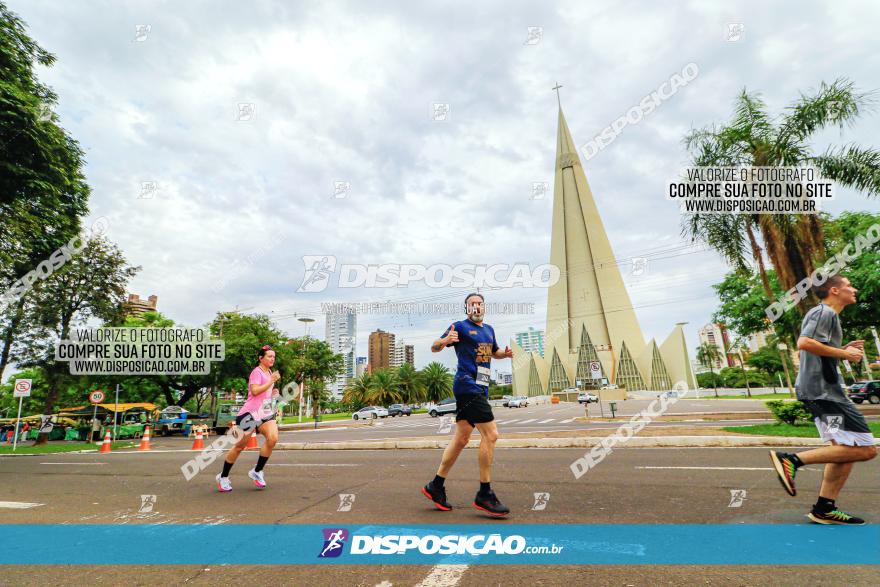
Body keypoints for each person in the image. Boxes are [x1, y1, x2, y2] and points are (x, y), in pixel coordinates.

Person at [769, 274, 878, 524]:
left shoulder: (829, 317)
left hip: (824, 392)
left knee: (844, 449)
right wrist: (843, 352)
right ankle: (791, 460)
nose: (855, 288)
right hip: (824, 395)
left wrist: (841, 350)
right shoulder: (824, 312)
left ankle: (824, 508)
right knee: (866, 449)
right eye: (849, 285)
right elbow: (804, 343)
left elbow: (818, 349)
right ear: (834, 290)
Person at [421, 293, 514, 517]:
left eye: (480, 303)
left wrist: (505, 354)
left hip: (481, 386)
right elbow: (434, 346)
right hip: (467, 385)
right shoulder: (459, 327)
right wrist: (444, 341)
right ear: (466, 308)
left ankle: (436, 486)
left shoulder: (489, 330)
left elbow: (494, 353)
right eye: (472, 303)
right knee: (491, 435)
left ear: (484, 307)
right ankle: (485, 493)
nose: (477, 306)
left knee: (461, 438)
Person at [216, 345, 286, 492]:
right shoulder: (257, 371)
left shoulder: (270, 372)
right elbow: (254, 392)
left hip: (265, 412)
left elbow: (264, 393)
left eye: (273, 356)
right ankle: (223, 476)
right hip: (249, 413)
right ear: (261, 358)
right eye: (269, 356)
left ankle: (257, 471)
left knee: (272, 439)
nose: (272, 359)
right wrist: (270, 381)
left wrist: (273, 392)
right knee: (240, 446)